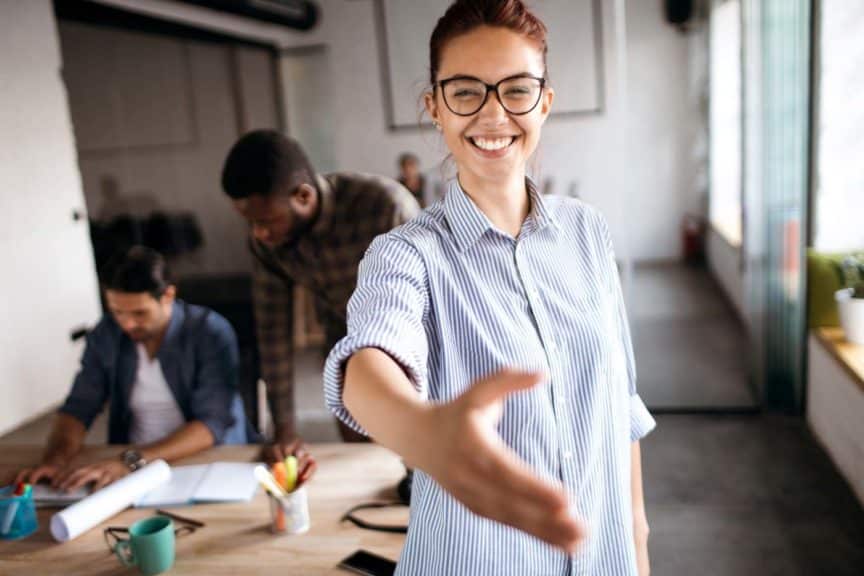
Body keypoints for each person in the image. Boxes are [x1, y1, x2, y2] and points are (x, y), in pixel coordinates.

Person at [323, 1, 655, 575]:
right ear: (435, 107)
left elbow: (621, 404)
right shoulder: (405, 255)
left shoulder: (587, 231)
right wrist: (423, 432)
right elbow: (368, 366)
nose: (494, 114)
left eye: (517, 90)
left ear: (544, 102)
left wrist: (639, 540)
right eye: (466, 91)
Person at [221, 131, 420, 465]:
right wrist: (283, 427)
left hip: (411, 345)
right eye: (250, 223)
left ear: (303, 195)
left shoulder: (383, 206)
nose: (259, 234)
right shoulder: (266, 243)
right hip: (344, 347)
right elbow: (273, 334)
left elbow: (435, 301)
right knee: (360, 463)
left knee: (415, 459)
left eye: (267, 221)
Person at [14, 246, 250, 492]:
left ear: (168, 295)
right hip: (131, 461)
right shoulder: (106, 333)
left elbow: (213, 423)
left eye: (140, 313)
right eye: (117, 311)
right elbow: (79, 407)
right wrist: (55, 460)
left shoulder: (209, 332)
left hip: (200, 458)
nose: (127, 323)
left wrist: (131, 461)